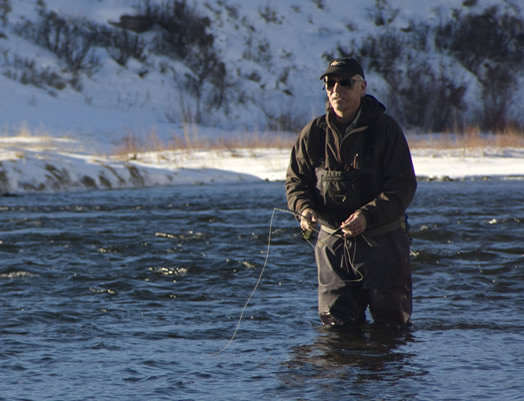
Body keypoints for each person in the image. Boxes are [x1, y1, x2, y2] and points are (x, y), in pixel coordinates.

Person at [285, 57, 417, 328]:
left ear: (362, 87)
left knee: (391, 333)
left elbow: (402, 186)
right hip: (333, 249)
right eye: (329, 83)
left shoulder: (386, 130)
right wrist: (304, 209)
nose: (336, 89)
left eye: (345, 83)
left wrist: (367, 216)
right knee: (336, 336)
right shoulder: (313, 133)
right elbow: (296, 182)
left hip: (383, 247)